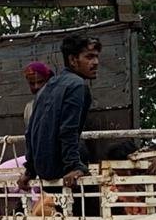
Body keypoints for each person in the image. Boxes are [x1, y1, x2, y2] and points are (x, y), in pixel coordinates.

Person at [17, 35, 101, 192]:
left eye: (96, 57)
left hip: (44, 172)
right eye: (89, 57)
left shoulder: (49, 86)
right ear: (73, 60)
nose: (95, 62)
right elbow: (68, 130)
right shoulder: (77, 85)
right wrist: (74, 166)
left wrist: (30, 171)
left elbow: (30, 132)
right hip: (63, 172)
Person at [22, 61, 53, 126]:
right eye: (32, 83)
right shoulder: (29, 108)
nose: (36, 87)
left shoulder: (57, 104)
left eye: (40, 82)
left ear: (48, 81)